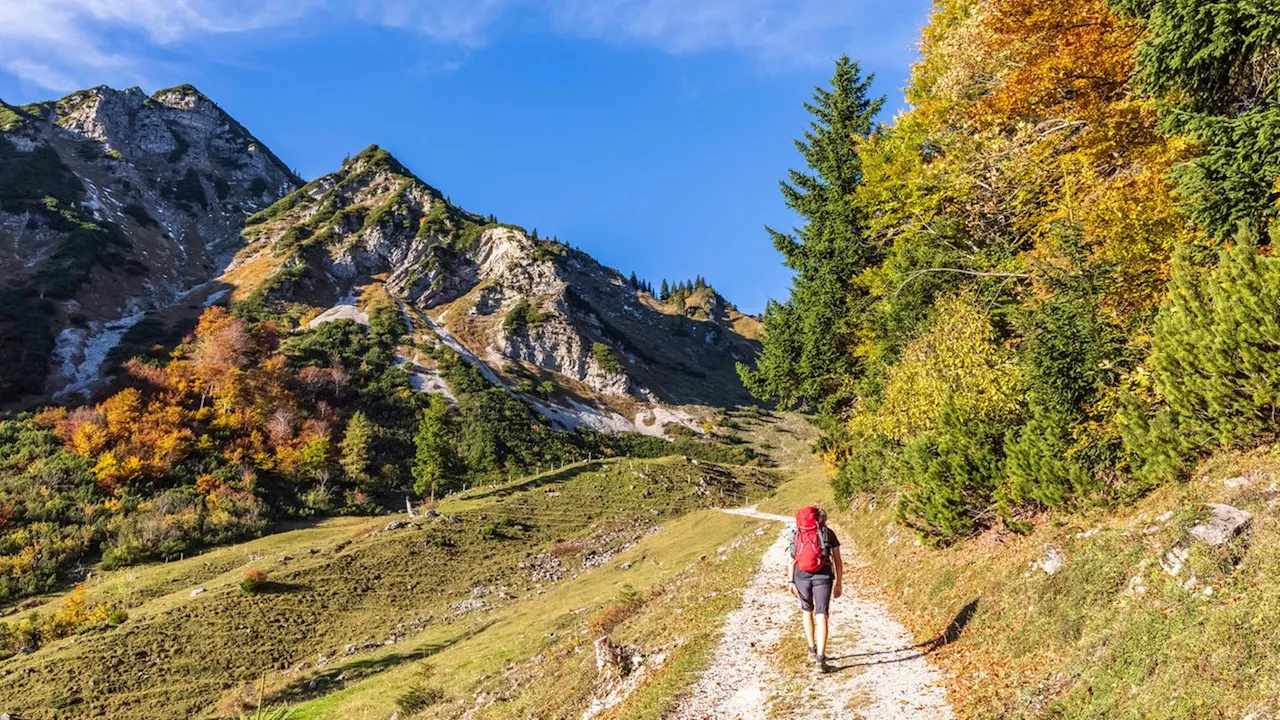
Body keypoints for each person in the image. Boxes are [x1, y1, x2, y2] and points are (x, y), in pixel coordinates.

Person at [786, 506, 843, 673]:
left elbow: (791, 559)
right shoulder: (828, 533)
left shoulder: (797, 533)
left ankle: (811, 649)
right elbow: (838, 561)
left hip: (800, 576)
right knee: (822, 615)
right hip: (823, 576)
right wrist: (839, 583)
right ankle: (821, 661)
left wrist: (790, 580)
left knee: (806, 611)